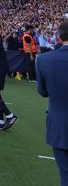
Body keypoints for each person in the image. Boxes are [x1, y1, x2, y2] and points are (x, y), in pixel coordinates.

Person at [36, 21, 68, 186]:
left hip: (60, 126)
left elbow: (42, 92)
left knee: (65, 176)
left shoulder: (44, 60)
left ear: (59, 36)